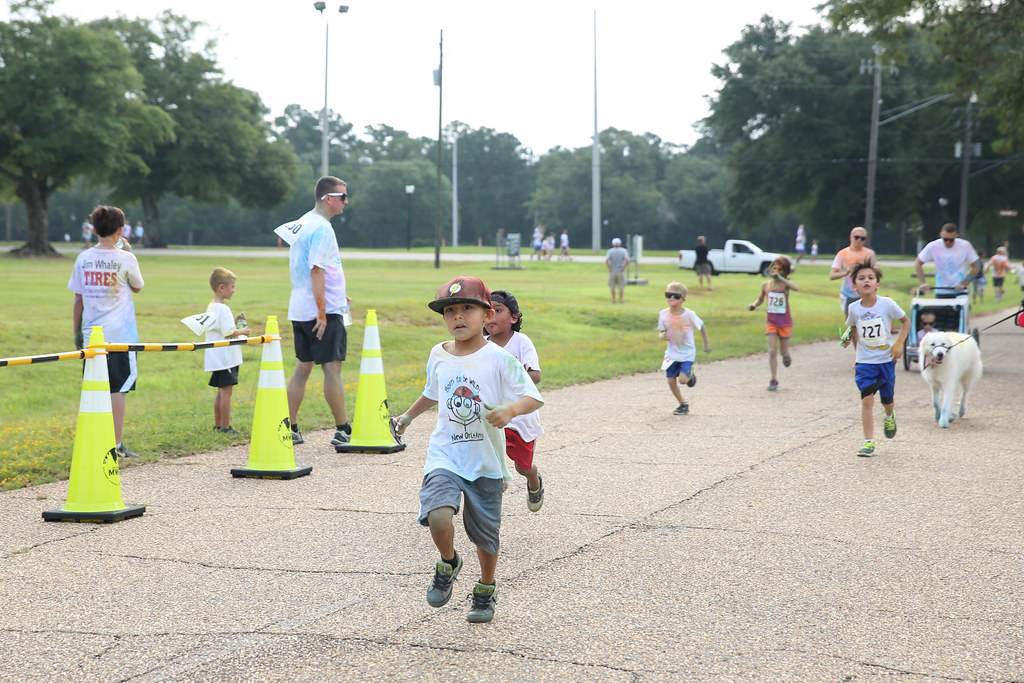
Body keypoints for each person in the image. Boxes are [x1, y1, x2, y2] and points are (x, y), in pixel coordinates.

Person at [393, 276, 543, 624]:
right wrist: (408, 417)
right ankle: (448, 562)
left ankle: (486, 588)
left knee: (486, 536)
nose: (457, 316)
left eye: (466, 308)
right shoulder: (438, 353)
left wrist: (510, 410)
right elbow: (434, 391)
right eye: (450, 311)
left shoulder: (499, 358)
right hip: (445, 454)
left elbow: (532, 395)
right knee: (438, 514)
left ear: (487, 313)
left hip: (485, 461)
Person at [280, 176, 352, 447]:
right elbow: (316, 269)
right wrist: (323, 312)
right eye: (343, 196)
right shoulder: (322, 229)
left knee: (302, 368)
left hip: (298, 308)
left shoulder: (303, 222)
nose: (346, 202)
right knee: (332, 370)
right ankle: (343, 429)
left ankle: (291, 427)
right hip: (321, 312)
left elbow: (310, 268)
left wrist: (337, 292)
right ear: (328, 198)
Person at [68, 205, 144, 460]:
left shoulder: (83, 258)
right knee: (117, 389)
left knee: (96, 388)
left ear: (95, 229)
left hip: (92, 335)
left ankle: (95, 442)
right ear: (121, 230)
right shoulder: (126, 258)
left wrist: (77, 333)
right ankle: (116, 444)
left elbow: (78, 299)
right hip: (120, 336)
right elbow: (137, 287)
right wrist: (128, 251)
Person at [841, 262, 910, 458]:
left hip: (886, 360)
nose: (866, 281)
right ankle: (868, 441)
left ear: (877, 284)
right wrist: (848, 341)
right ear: (854, 286)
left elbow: (906, 322)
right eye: (861, 278)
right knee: (867, 399)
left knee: (887, 400)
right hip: (865, 363)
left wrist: (899, 344)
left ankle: (889, 415)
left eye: (870, 278)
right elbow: (853, 328)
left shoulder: (887, 304)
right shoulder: (854, 308)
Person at [484, 289, 544, 512]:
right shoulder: (481, 344)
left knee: (522, 466)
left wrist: (511, 376)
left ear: (514, 317)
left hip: (520, 415)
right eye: (487, 311)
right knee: (488, 450)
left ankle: (534, 480)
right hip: (492, 414)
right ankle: (496, 479)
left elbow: (536, 375)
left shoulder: (521, 342)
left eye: (497, 311)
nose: (491, 316)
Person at [203, 268, 251, 434]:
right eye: (232, 286)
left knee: (220, 391)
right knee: (227, 392)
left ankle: (218, 424)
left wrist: (235, 319)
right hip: (225, 358)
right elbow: (229, 332)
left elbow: (220, 326)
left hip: (215, 357)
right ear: (221, 287)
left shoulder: (212, 307)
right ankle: (225, 426)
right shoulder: (223, 309)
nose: (234, 290)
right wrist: (243, 331)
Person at [657, 282, 712, 415]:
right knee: (671, 381)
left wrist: (706, 344)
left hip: (687, 352)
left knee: (682, 380)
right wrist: (662, 336)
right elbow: (661, 332)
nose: (671, 298)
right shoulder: (663, 314)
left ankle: (690, 375)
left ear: (683, 299)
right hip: (671, 353)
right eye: (668, 295)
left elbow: (701, 326)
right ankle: (682, 404)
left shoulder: (689, 314)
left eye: (675, 296)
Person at [748, 255, 799, 391]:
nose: (776, 270)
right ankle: (773, 379)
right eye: (774, 267)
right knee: (771, 351)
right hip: (771, 322)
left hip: (785, 323)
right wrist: (753, 305)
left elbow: (796, 288)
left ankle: (786, 355)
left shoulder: (785, 284)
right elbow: (760, 299)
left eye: (779, 268)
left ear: (784, 270)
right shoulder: (766, 285)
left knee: (782, 351)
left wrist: (781, 278)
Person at [914, 223, 979, 298]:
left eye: (951, 240)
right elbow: (918, 263)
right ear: (941, 235)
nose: (947, 242)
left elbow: (976, 266)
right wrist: (923, 283)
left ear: (956, 236)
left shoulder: (965, 246)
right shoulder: (933, 246)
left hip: (960, 292)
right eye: (945, 239)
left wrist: (965, 283)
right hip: (941, 291)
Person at [830, 226, 877, 315]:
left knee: (866, 319)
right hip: (848, 293)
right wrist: (846, 272)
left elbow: (876, 272)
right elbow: (832, 275)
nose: (859, 240)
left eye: (862, 238)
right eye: (856, 237)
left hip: (866, 293)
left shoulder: (869, 254)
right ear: (851, 237)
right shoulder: (843, 254)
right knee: (850, 322)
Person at [605, 237, 630, 304]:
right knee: (621, 287)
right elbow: (627, 259)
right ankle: (621, 300)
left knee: (612, 286)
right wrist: (623, 267)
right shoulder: (623, 251)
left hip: (612, 271)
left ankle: (614, 299)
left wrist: (610, 268)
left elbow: (607, 260)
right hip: (620, 271)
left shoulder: (610, 251)